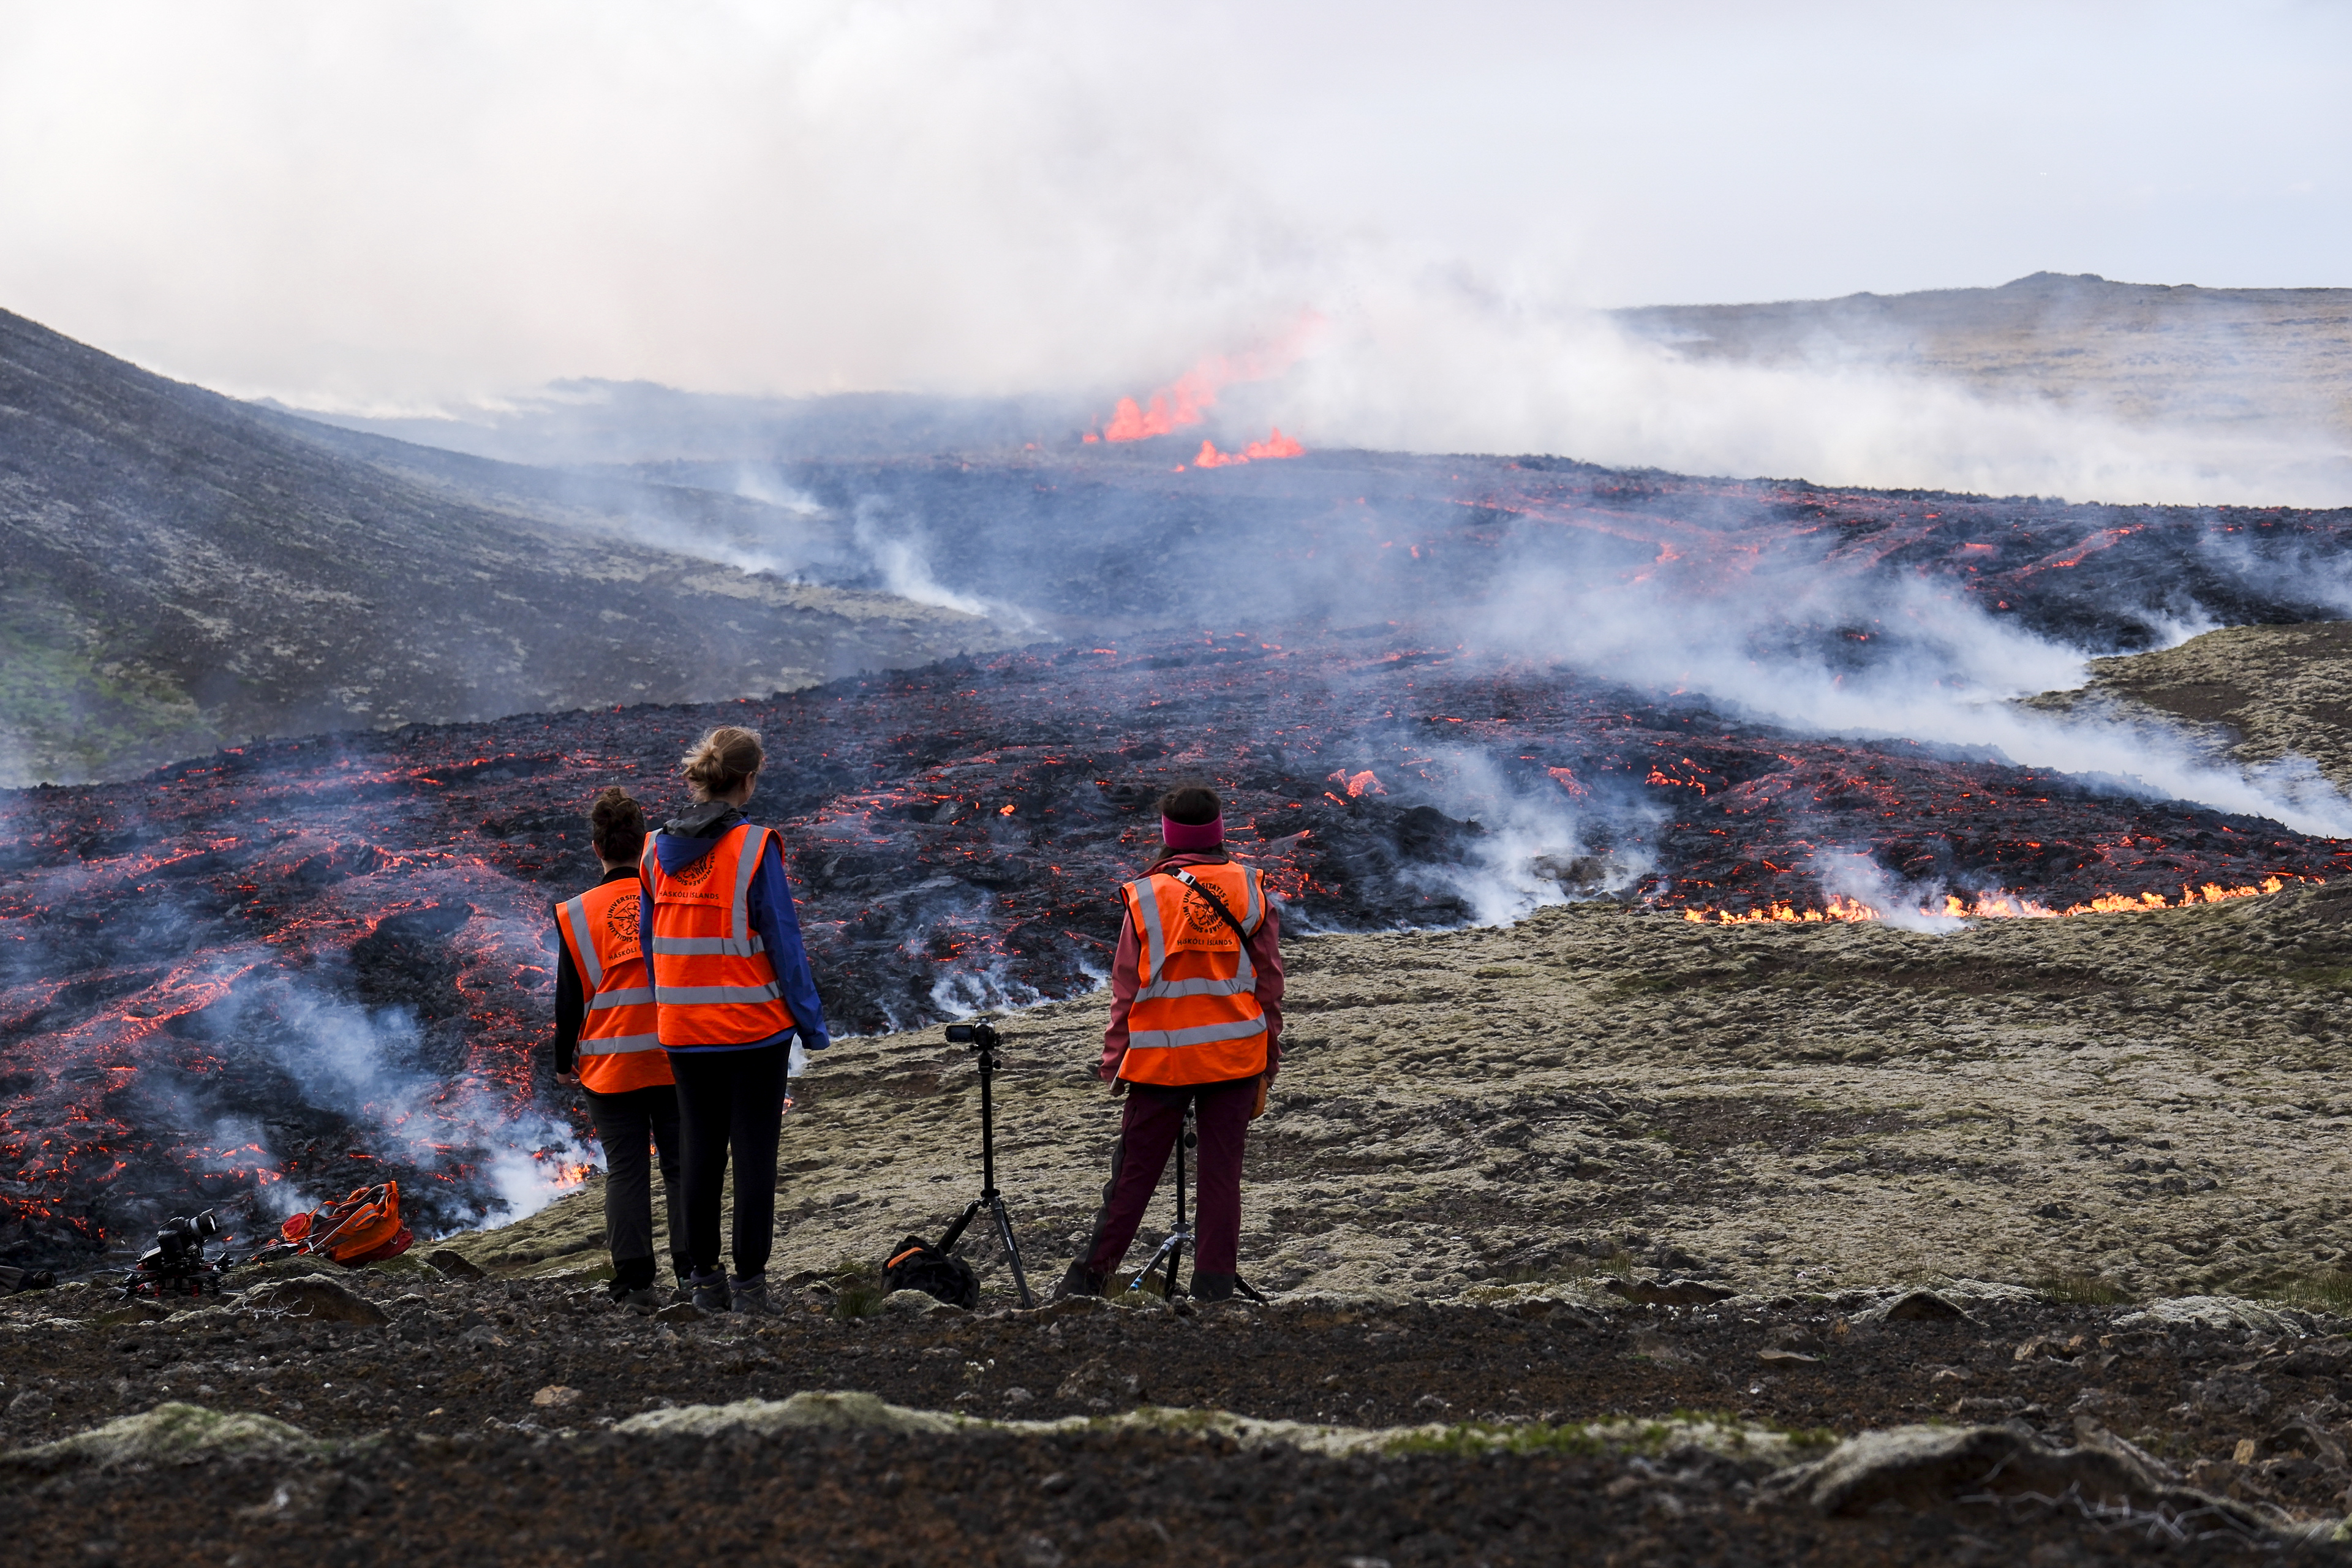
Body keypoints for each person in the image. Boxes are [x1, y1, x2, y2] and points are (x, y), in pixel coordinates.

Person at [1057, 782, 1283, 1302]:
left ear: (1168, 834)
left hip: (1160, 1059)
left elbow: (1125, 987)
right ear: (1218, 830)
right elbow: (1269, 983)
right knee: (1222, 1179)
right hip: (1234, 1056)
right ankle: (1214, 1293)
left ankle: (1086, 1288)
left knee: (1133, 1180)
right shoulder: (1251, 887)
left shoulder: (1145, 894)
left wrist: (1115, 1062)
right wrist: (1268, 1063)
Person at [638, 725, 829, 1314]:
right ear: (749, 778)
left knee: (698, 1154)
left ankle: (703, 1283)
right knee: (752, 1159)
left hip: (684, 1033)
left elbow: (651, 945)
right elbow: (783, 940)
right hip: (752, 1032)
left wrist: (671, 1005)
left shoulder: (651, 851)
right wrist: (811, 1024)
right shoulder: (754, 846)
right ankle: (750, 1287)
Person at [551, 787, 688, 1310]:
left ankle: (634, 1283)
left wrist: (564, 1060)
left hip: (609, 1067)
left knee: (627, 1169)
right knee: (680, 1165)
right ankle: (694, 1271)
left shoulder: (578, 913)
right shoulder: (671, 896)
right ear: (644, 841)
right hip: (676, 1055)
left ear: (596, 847)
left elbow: (569, 999)